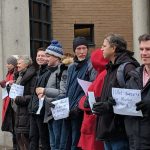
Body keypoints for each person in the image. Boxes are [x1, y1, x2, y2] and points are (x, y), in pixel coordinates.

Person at [92, 34, 139, 150]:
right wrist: (97, 102)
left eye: (104, 46)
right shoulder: (111, 68)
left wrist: (108, 105)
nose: (101, 49)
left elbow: (134, 98)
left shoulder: (128, 68)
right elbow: (111, 96)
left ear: (113, 48)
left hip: (119, 131)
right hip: (109, 129)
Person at [60, 37, 97, 150]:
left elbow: (91, 88)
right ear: (74, 50)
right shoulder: (71, 67)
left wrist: (78, 106)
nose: (82, 52)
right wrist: (62, 104)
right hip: (68, 109)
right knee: (65, 141)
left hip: (80, 110)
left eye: (84, 48)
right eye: (78, 48)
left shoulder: (91, 65)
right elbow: (67, 89)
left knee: (76, 142)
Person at [35, 40, 68, 150]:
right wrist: (44, 96)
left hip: (58, 114)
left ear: (56, 57)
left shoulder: (63, 71)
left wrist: (44, 91)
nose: (46, 58)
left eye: (48, 56)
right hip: (50, 113)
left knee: (58, 145)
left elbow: (62, 93)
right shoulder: (52, 72)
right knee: (53, 145)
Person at [78, 49, 108, 150]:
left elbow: (92, 99)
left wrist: (82, 102)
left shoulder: (102, 76)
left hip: (93, 122)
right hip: (93, 122)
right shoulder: (102, 74)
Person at [124, 34, 150, 150]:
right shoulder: (134, 75)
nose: (143, 53)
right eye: (141, 49)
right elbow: (126, 101)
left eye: (148, 49)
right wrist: (113, 103)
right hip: (135, 140)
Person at [13, 55, 36, 150]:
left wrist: (18, 99)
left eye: (19, 63)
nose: (17, 65)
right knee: (20, 140)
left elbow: (32, 96)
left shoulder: (32, 76)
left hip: (26, 113)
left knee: (26, 141)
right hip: (19, 112)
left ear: (26, 64)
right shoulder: (20, 75)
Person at [29, 48, 50, 150]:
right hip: (34, 110)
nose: (40, 58)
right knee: (33, 138)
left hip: (42, 112)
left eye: (43, 56)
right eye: (38, 56)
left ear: (48, 58)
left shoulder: (48, 72)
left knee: (44, 140)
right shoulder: (38, 72)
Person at [0, 55, 18, 150]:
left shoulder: (15, 73)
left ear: (14, 64)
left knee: (15, 128)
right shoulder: (9, 73)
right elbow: (7, 82)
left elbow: (12, 83)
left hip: (12, 104)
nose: (7, 65)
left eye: (9, 63)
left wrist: (6, 83)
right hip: (8, 103)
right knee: (12, 128)